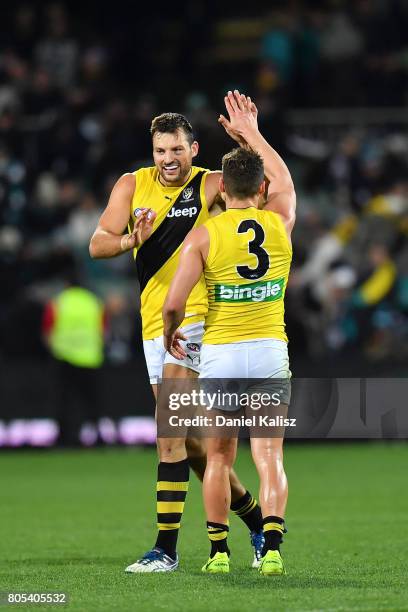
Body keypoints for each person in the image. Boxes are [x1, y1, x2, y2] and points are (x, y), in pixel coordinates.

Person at [89, 96, 267, 572]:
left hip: (194, 320)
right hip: (154, 325)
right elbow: (97, 243)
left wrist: (251, 137)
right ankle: (255, 522)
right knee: (192, 444)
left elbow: (266, 186)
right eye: (160, 151)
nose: (168, 160)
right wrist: (131, 240)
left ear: (194, 149)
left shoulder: (210, 183)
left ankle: (164, 550)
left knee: (168, 432)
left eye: (177, 150)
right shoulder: (132, 185)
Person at [163, 93, 296, 575]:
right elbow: (286, 181)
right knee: (269, 454)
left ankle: (218, 553)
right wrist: (252, 133)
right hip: (267, 353)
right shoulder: (279, 225)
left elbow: (174, 303)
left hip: (221, 355)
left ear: (223, 190)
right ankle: (274, 547)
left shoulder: (203, 235)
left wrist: (172, 333)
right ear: (261, 189)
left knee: (218, 457)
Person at [42, 274, 105, 446]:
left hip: (64, 358)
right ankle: (98, 436)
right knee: (92, 400)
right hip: (91, 359)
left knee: (64, 400)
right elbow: (103, 331)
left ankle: (64, 437)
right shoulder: (94, 302)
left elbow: (48, 331)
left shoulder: (58, 302)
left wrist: (56, 349)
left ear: (66, 285)